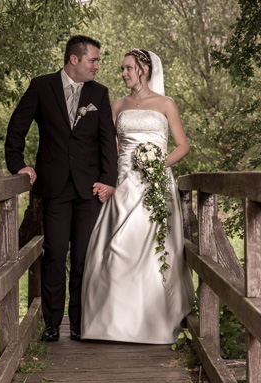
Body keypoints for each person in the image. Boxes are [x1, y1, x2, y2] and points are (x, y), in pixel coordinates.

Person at [5, 35, 118, 341]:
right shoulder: (42, 86)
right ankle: (53, 324)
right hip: (54, 187)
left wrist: (109, 179)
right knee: (54, 253)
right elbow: (16, 129)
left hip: (90, 189)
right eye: (93, 59)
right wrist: (18, 165)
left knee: (83, 257)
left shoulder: (100, 93)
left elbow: (107, 140)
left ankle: (81, 324)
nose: (97, 65)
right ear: (74, 59)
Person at [80, 49, 195, 344]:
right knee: (118, 246)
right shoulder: (116, 105)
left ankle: (153, 321)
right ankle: (112, 322)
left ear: (144, 69)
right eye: (122, 69)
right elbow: (111, 148)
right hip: (124, 181)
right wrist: (111, 179)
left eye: (129, 68)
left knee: (154, 247)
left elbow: (182, 146)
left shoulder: (166, 103)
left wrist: (157, 164)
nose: (123, 74)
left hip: (155, 182)